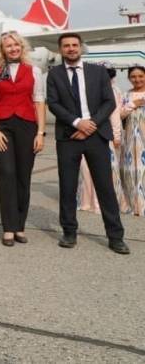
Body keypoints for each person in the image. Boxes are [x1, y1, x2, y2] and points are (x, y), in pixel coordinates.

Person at [46, 33, 129, 254]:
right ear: (60, 49)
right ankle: (69, 232)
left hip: (96, 135)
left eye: (75, 45)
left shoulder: (98, 72)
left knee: (105, 187)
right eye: (66, 46)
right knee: (67, 187)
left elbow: (108, 102)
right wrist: (77, 123)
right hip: (68, 137)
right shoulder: (54, 74)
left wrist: (91, 124)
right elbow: (53, 103)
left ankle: (115, 236)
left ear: (81, 47)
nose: (71, 48)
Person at [0, 30, 45, 247]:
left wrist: (40, 133)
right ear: (2, 49)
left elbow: (39, 101)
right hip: (2, 127)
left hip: (27, 126)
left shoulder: (34, 71)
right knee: (6, 172)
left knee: (23, 176)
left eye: (16, 44)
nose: (13, 48)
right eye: (8, 45)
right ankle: (9, 227)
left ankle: (20, 226)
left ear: (22, 47)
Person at [78, 65, 127, 214]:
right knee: (89, 168)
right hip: (88, 133)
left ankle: (98, 202)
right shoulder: (92, 89)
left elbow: (114, 115)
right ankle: (89, 202)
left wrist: (116, 136)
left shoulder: (112, 90)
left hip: (104, 134)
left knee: (102, 169)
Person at [119, 66, 145, 216]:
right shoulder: (125, 95)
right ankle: (133, 204)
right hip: (129, 139)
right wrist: (133, 105)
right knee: (130, 171)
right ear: (129, 78)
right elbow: (119, 115)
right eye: (134, 76)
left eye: (141, 76)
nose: (137, 79)